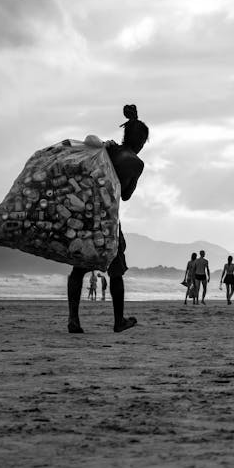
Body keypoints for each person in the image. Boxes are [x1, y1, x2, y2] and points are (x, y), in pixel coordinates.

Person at [67, 104, 149, 335]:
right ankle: (118, 321)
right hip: (108, 220)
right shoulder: (135, 162)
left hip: (86, 216)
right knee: (116, 272)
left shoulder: (108, 149)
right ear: (141, 143)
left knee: (78, 270)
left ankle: (74, 319)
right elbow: (126, 194)